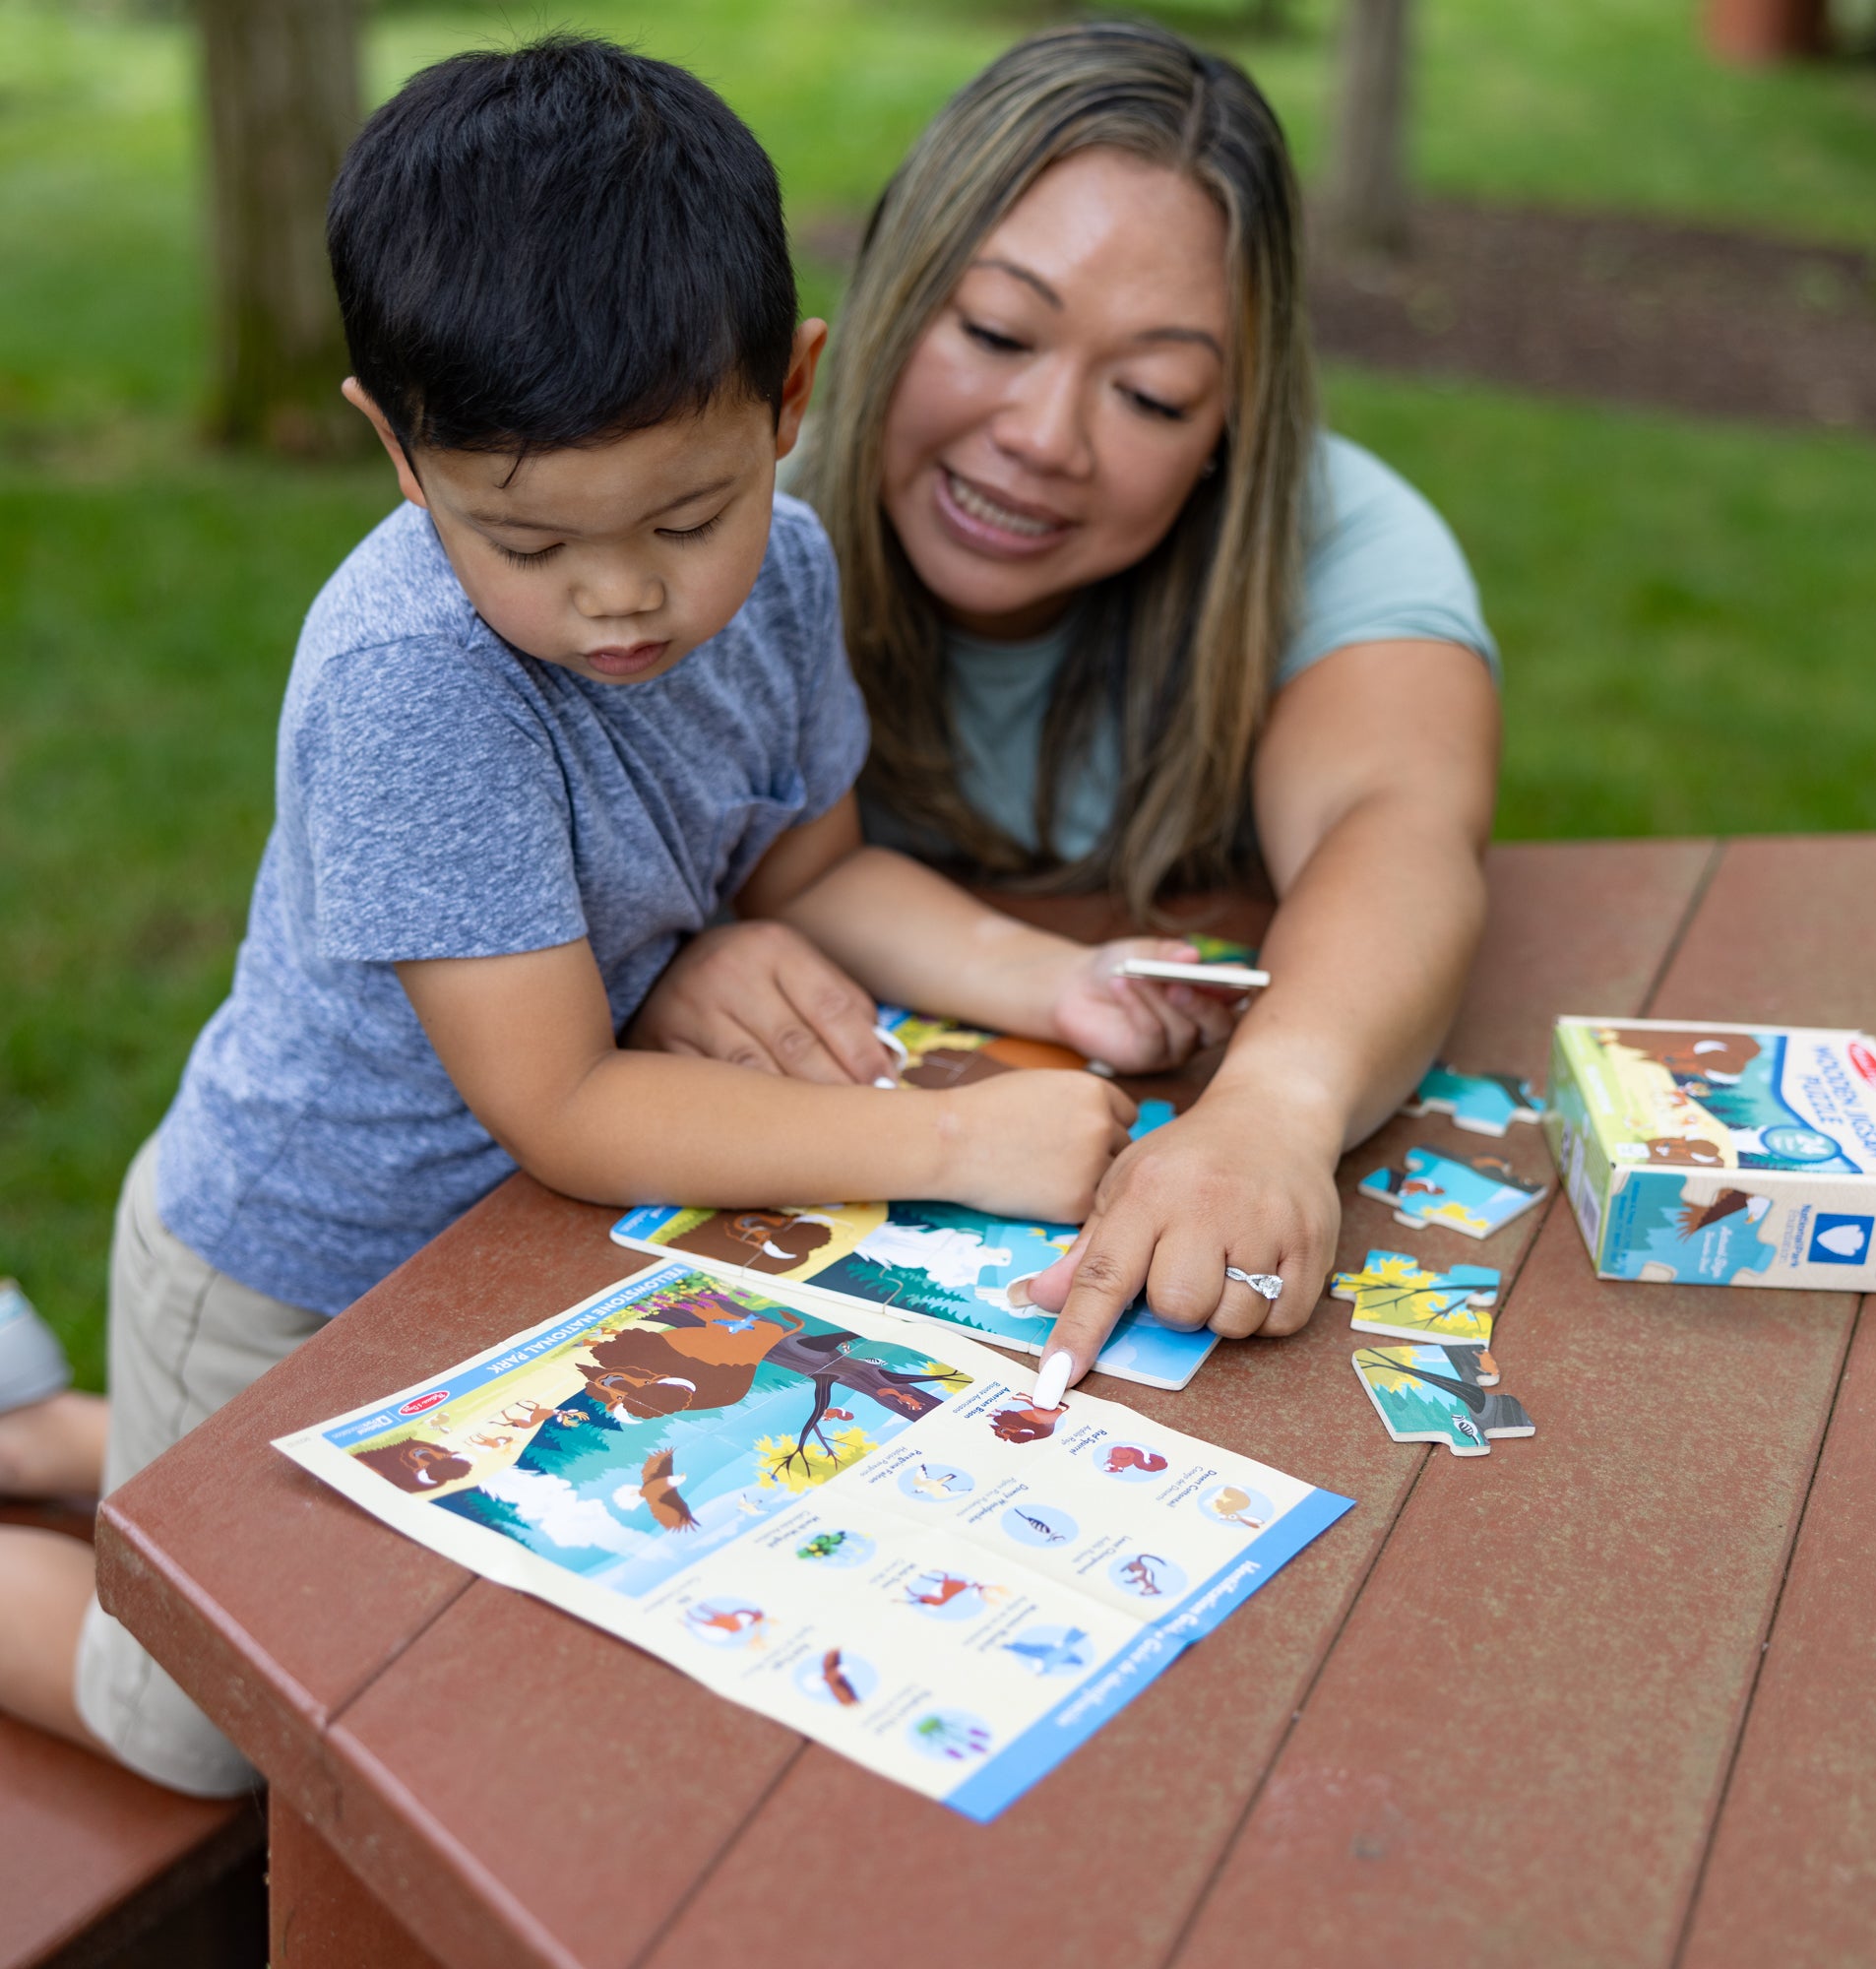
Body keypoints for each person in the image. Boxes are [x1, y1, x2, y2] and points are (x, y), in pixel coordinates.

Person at [0, 35, 1223, 1796]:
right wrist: (951, 1147)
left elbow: (817, 874)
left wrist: (1065, 981)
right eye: (530, 541)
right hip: (289, 1271)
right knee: (196, 1725)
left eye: (686, 513)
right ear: (395, 451)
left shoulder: (790, 571)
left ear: (791, 397)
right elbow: (564, 1105)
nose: (624, 595)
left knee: (443, 1610)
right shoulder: (417, 681)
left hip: (502, 1273)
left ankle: (42, 1430)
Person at [634, 23, 1501, 1388]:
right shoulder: (694, 533)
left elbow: (1395, 827)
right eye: (994, 331)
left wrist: (1274, 1106)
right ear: (889, 300)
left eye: (1152, 394)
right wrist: (653, 960)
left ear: (1234, 430)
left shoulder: (1345, 545)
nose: (1045, 435)